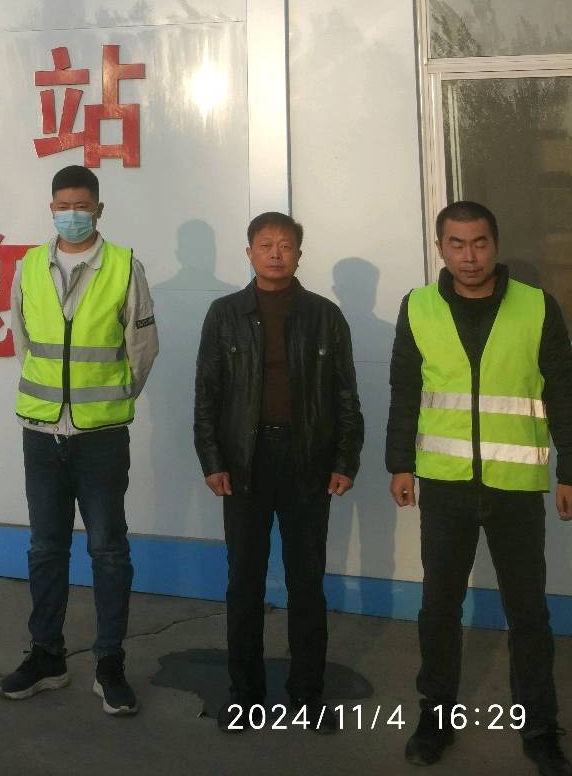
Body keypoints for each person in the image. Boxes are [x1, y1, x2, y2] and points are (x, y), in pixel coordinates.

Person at [386, 200, 572, 775]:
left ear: (495, 244)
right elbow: (405, 390)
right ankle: (435, 720)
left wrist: (569, 469)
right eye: (457, 244)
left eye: (480, 243)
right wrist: (399, 464)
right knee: (439, 607)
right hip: (445, 485)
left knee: (528, 613)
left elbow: (563, 391)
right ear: (440, 248)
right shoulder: (418, 307)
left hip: (516, 485)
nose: (469, 256)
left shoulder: (537, 307)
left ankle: (539, 727)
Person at [0, 164, 158, 715]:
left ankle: (109, 663)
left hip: (101, 436)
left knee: (108, 551)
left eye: (81, 206)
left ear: (98, 209)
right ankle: (47, 656)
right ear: (51, 209)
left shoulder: (124, 266)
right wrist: (53, 399)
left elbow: (142, 349)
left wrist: (112, 397)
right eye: (62, 206)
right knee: (46, 548)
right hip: (42, 432)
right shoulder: (28, 265)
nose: (71, 214)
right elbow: (23, 339)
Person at [193, 211, 363, 731]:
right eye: (265, 244)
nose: (275, 253)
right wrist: (212, 461)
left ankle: (308, 697)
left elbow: (345, 395)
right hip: (244, 463)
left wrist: (345, 460)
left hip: (307, 462)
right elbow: (207, 395)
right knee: (243, 582)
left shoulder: (325, 316)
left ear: (298, 255)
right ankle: (244, 696)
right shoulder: (224, 314)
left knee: (306, 583)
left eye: (285, 245)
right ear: (249, 253)